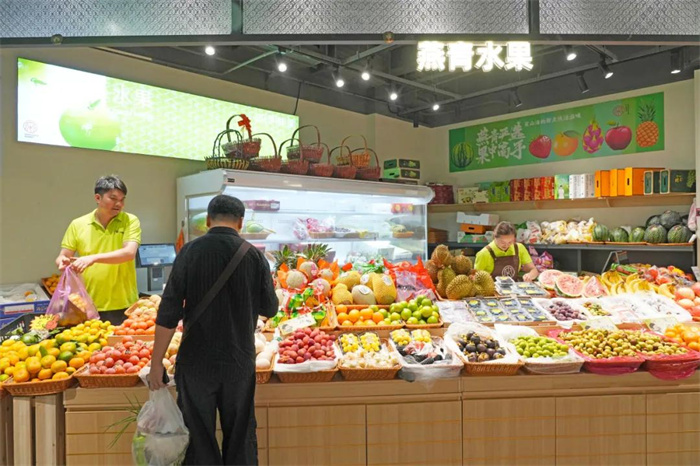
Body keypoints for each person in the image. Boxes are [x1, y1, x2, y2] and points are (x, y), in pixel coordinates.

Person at [149, 194, 278, 465]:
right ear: (240, 222)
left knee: (198, 438)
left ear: (208, 220)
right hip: (239, 361)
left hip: (196, 362)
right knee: (241, 435)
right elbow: (270, 308)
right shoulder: (255, 256)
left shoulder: (189, 252)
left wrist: (156, 362)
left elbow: (169, 311)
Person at [55, 175, 141, 324]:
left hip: (124, 304)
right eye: (113, 198)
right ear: (97, 198)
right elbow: (63, 255)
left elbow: (129, 253)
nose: (119, 204)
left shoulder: (130, 220)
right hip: (87, 304)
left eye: (122, 199)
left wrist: (92, 258)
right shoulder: (78, 224)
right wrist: (62, 261)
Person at [474, 221, 539, 282]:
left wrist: (530, 275)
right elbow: (475, 278)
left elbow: (534, 270)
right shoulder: (483, 254)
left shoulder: (519, 248)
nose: (506, 245)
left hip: (513, 289)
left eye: (510, 242)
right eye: (503, 242)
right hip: (492, 289)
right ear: (494, 237)